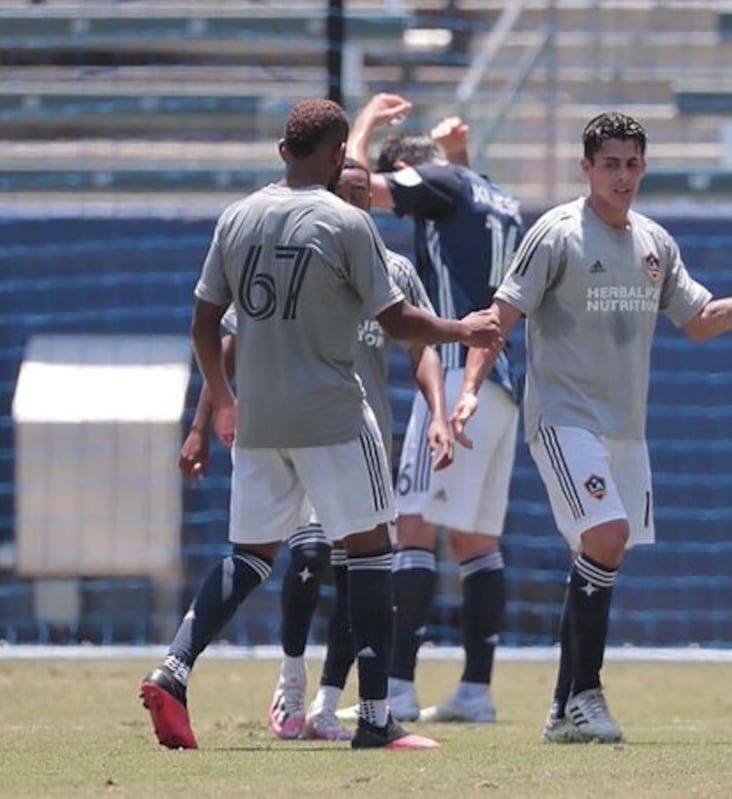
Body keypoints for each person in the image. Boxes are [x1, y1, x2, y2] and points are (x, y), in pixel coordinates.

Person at [450, 110, 732, 743]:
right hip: (563, 419)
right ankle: (588, 695)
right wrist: (467, 391)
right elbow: (499, 319)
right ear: (587, 168)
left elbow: (702, 319)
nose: (623, 177)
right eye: (611, 165)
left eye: (632, 165)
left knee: (597, 552)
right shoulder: (556, 234)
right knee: (608, 534)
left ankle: (563, 707)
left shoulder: (654, 243)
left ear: (643, 167)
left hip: (625, 428)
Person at [139, 98, 500, 750]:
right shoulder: (345, 223)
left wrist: (221, 400)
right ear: (338, 158)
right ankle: (375, 718)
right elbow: (397, 324)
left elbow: (205, 325)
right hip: (334, 413)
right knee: (372, 552)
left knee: (249, 556)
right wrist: (461, 327)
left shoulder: (239, 216)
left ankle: (175, 667)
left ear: (283, 149)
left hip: (260, 419)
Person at [177, 158, 454, 742]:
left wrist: (438, 413)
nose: (355, 203)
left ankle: (331, 703)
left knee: (350, 571)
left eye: (364, 194)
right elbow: (227, 341)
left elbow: (416, 346)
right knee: (306, 560)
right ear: (327, 190)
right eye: (344, 191)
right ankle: (294, 681)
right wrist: (205, 419)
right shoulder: (304, 256)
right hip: (314, 432)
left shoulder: (393, 267)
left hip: (357, 444)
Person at [345, 94, 524, 723]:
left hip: (454, 373)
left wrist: (364, 122)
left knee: (413, 523)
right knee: (476, 539)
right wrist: (461, 155)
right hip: (503, 381)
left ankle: (397, 686)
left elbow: (355, 188)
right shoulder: (492, 194)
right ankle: (476, 691)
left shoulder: (439, 184)